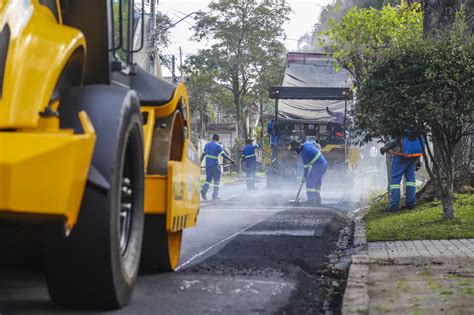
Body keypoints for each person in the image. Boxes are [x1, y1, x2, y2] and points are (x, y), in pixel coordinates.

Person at [380, 132, 423, 212]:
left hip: (400, 156)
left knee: (395, 181)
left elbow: (395, 141)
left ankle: (394, 205)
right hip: (413, 156)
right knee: (411, 180)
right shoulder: (415, 126)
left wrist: (385, 148)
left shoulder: (401, 125)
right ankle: (410, 204)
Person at [291, 138, 328, 206]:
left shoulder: (305, 154)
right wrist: (318, 147)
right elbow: (315, 143)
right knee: (317, 182)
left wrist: (304, 178)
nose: (295, 151)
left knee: (309, 181)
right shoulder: (307, 143)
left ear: (297, 146)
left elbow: (306, 169)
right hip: (324, 164)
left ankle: (311, 201)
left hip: (319, 165)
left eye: (295, 149)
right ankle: (317, 199)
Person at [200, 134, 235, 200]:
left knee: (208, 180)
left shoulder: (207, 145)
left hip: (208, 165)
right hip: (215, 165)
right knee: (217, 180)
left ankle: (204, 190)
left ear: (212, 138)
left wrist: (199, 163)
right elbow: (223, 155)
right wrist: (231, 160)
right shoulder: (218, 146)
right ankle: (214, 196)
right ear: (218, 139)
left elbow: (202, 155)